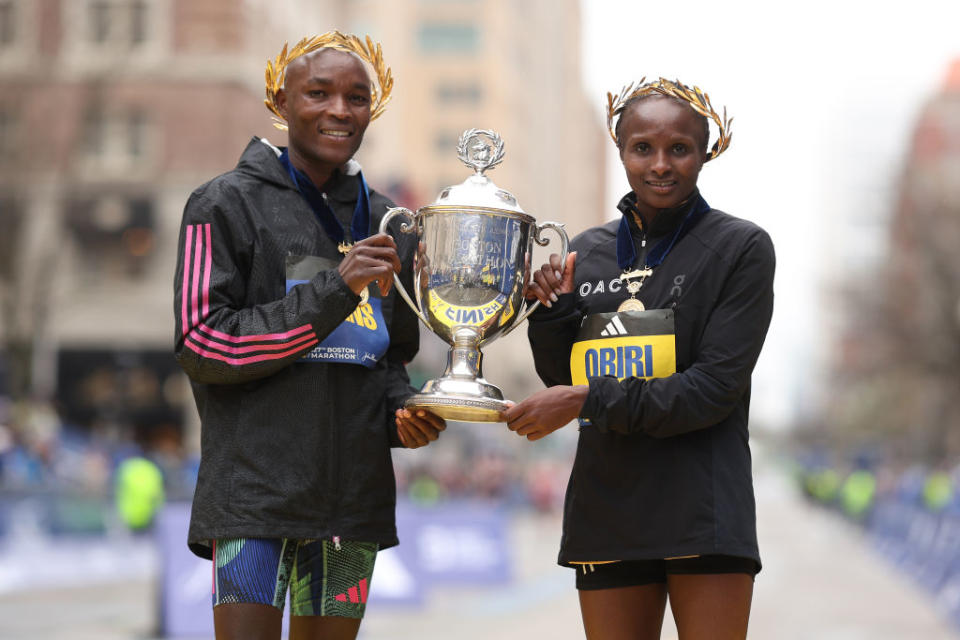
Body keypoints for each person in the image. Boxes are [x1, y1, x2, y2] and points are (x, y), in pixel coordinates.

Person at [172, 32, 445, 640]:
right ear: (281, 101)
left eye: (356, 97)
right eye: (318, 93)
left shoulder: (386, 220)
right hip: (252, 499)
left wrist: (402, 410)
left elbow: (390, 357)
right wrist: (333, 291)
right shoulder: (221, 203)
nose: (339, 111)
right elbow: (202, 344)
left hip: (354, 503)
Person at [503, 78, 775, 639]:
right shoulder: (589, 250)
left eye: (680, 148)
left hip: (705, 513)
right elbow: (564, 377)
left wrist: (586, 398)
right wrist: (551, 311)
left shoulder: (741, 248)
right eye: (642, 148)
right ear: (621, 148)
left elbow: (710, 390)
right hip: (607, 510)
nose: (660, 165)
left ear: (706, 152)